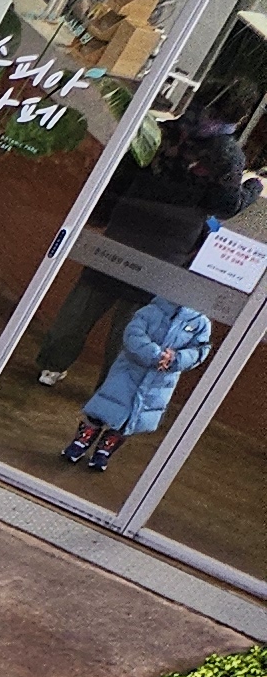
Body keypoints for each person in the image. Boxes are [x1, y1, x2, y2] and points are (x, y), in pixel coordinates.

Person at [37, 95, 256, 384]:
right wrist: (252, 189)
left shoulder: (160, 131)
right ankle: (108, 389)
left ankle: (51, 367)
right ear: (237, 119)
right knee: (134, 324)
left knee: (84, 302)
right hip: (169, 246)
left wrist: (102, 214)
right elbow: (224, 205)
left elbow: (121, 176)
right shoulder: (227, 154)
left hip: (125, 227)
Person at [66, 290, 215, 466]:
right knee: (104, 406)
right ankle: (82, 440)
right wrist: (155, 354)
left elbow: (200, 350)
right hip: (129, 371)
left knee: (133, 418)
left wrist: (176, 359)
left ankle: (105, 449)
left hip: (160, 381)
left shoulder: (201, 322)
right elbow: (133, 334)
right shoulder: (152, 310)